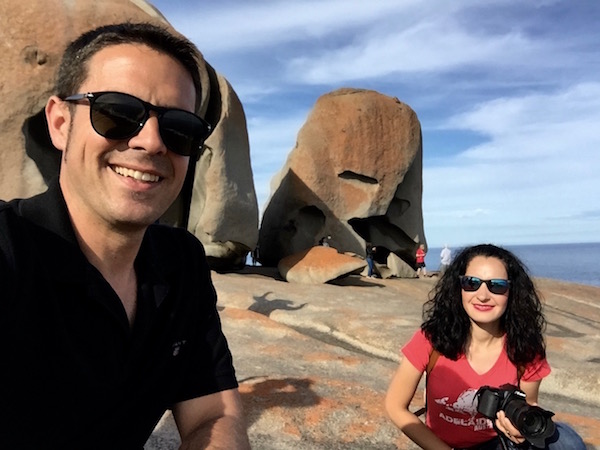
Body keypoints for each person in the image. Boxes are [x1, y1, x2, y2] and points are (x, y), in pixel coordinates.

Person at [0, 23, 250, 449]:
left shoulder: (182, 264)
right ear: (60, 123)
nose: (152, 142)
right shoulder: (11, 248)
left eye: (179, 128)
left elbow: (214, 412)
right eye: (117, 112)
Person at [385, 244, 585, 450]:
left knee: (567, 441)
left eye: (497, 286)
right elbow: (395, 406)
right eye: (471, 283)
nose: (482, 295)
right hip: (443, 446)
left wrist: (518, 429)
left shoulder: (525, 347)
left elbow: (528, 404)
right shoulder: (431, 339)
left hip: (498, 443)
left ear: (512, 292)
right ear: (459, 288)